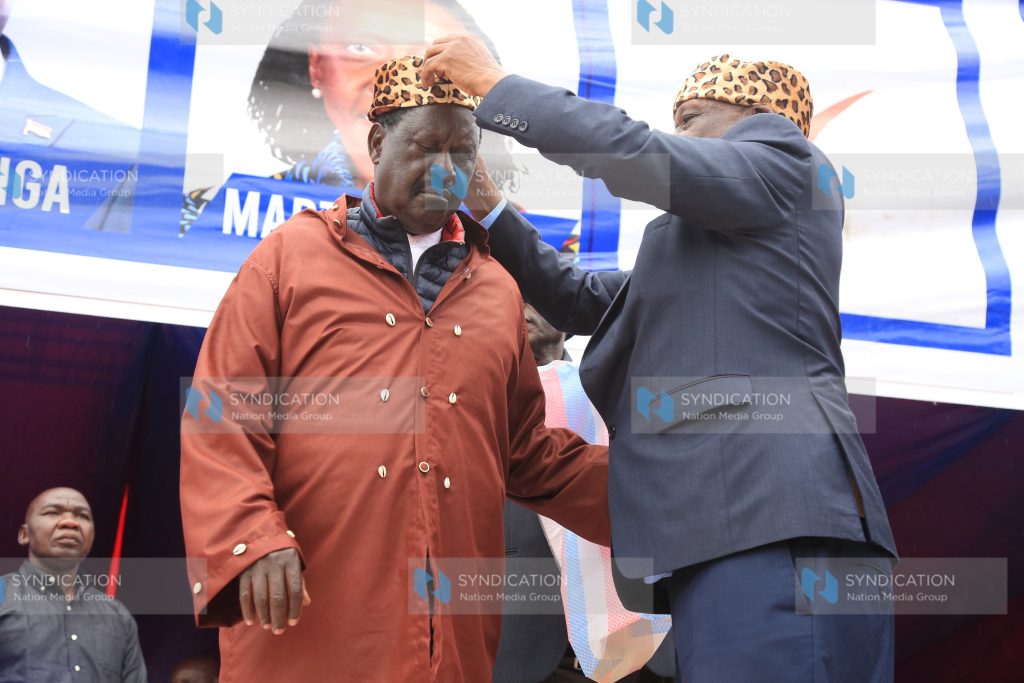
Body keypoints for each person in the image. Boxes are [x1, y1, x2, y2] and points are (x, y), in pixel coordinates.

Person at [423, 39, 898, 681]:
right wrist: (484, 200)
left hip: (771, 526)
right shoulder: (723, 250)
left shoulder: (788, 162)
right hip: (730, 537)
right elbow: (576, 296)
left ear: (753, 115)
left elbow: (638, 153)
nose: (677, 134)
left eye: (691, 119)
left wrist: (494, 84)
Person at [179, 55, 609, 683]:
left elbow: (526, 452)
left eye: (463, 153)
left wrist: (668, 493)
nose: (445, 169)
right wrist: (250, 537)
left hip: (449, 641)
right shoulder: (290, 259)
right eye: (426, 146)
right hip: (309, 621)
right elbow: (221, 413)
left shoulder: (496, 289)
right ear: (378, 143)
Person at [494, 305, 674, 683]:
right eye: (512, 293)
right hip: (523, 650)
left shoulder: (622, 393)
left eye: (536, 292)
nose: (522, 305)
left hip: (645, 646)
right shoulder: (475, 403)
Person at [0, 487, 147, 682]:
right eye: (53, 512)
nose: (71, 522)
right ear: (24, 534)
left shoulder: (118, 616)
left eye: (82, 516)